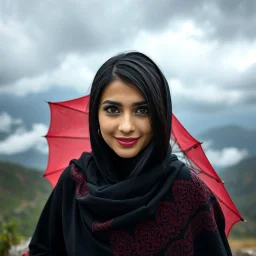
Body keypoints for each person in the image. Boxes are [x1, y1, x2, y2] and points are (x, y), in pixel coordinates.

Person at [28, 52, 232, 255]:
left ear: (160, 114)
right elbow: (42, 250)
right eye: (112, 110)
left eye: (142, 110)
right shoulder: (75, 182)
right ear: (96, 115)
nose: (126, 126)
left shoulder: (187, 191)